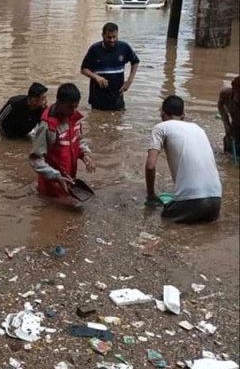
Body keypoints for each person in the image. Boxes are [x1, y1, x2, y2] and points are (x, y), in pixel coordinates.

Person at [145, 95, 222, 224]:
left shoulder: (160, 128)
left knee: (158, 221)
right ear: (183, 115)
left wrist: (151, 195)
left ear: (162, 115)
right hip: (215, 202)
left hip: (191, 202)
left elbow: (150, 166)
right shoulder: (199, 129)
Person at [30, 82, 95, 199]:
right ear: (59, 103)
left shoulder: (74, 118)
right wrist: (56, 176)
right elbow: (35, 160)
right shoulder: (48, 126)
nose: (74, 110)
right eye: (70, 107)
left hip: (68, 179)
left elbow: (79, 140)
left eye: (76, 106)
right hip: (51, 185)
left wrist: (85, 153)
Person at [81, 22, 140, 111]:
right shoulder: (95, 49)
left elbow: (135, 62)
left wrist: (129, 82)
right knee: (96, 120)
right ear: (103, 35)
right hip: (98, 97)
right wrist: (96, 77)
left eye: (114, 37)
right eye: (109, 37)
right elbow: (84, 69)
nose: (112, 40)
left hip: (117, 96)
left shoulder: (124, 47)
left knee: (118, 121)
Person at [218, 75, 240, 157]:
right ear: (234, 90)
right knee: (227, 152)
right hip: (234, 128)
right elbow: (220, 104)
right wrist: (226, 123)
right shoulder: (226, 94)